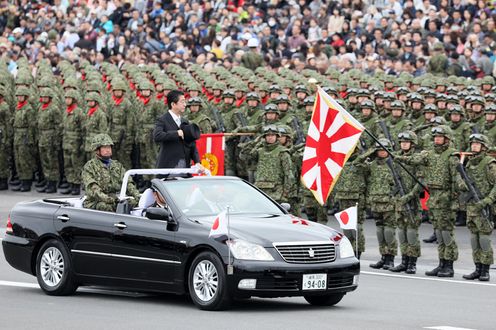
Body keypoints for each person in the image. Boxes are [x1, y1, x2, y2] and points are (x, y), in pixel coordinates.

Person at [459, 134, 495, 281]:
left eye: (477, 144)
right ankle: (477, 268)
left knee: (484, 239)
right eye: (472, 144)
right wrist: (462, 184)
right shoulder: (469, 163)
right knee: (474, 239)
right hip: (471, 206)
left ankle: (485, 270)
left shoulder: (489, 164)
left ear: (484, 147)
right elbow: (463, 182)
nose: (474, 146)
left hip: (484, 206)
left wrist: (487, 200)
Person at [82, 133, 140, 212]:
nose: (108, 150)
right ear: (97, 150)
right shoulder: (89, 167)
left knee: (133, 203)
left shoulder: (117, 165)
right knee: (104, 206)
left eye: (109, 147)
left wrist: (138, 197)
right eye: (105, 147)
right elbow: (93, 188)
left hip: (114, 200)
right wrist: (107, 199)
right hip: (95, 201)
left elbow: (127, 183)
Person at [153, 90, 201, 168]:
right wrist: (176, 133)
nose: (185, 105)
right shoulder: (163, 120)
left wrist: (197, 161)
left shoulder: (185, 121)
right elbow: (157, 136)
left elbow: (192, 144)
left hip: (185, 164)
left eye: (185, 102)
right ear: (173, 104)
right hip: (168, 165)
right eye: (182, 102)